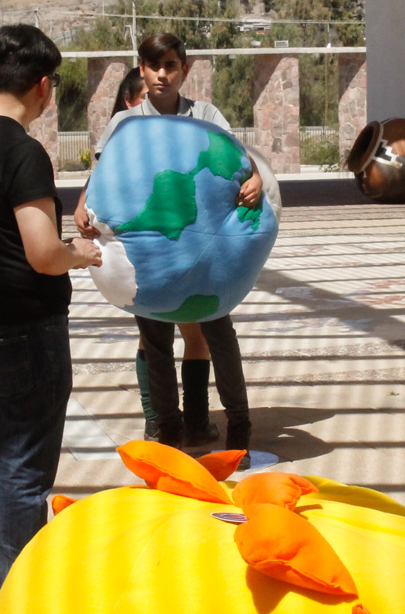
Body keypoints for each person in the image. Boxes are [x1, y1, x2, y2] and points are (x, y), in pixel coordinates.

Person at [0, 24, 102, 614]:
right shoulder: (22, 151)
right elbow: (41, 251)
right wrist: (79, 255)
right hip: (26, 330)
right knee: (26, 470)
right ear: (41, 86)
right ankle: (21, 608)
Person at [74, 34, 264, 466]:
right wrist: (84, 202)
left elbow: (239, 162)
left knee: (220, 334)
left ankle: (239, 428)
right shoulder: (124, 124)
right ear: (141, 69)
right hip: (148, 253)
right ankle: (169, 431)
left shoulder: (207, 115)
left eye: (171, 65)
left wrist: (255, 179)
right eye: (154, 65)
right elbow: (103, 172)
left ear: (184, 70)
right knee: (155, 338)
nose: (163, 73)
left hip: (205, 250)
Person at [107, 66, 216, 445]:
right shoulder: (126, 135)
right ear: (131, 101)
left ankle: (195, 420)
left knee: (192, 331)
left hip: (185, 240)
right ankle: (158, 418)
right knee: (152, 336)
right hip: (149, 246)